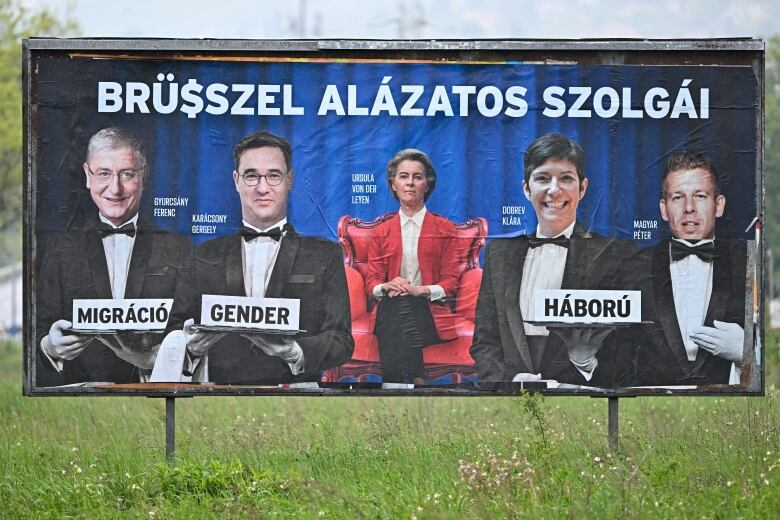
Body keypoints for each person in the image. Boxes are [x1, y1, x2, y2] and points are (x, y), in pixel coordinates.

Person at [183, 130, 353, 384]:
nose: (263, 188)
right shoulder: (202, 255)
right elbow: (174, 331)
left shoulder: (324, 254)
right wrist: (190, 348)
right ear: (236, 180)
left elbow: (341, 340)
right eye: (251, 176)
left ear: (290, 180)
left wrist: (294, 352)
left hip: (297, 399)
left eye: (273, 176)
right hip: (217, 397)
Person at [470, 132, 637, 387]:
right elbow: (484, 341)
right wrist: (509, 381)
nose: (554, 189)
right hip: (509, 403)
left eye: (566, 178)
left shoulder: (613, 254)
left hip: (583, 401)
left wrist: (586, 364)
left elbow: (628, 348)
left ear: (582, 188)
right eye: (543, 178)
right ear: (527, 188)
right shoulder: (499, 253)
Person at [36, 127, 193, 386]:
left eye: (127, 174)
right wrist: (50, 346)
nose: (115, 188)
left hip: (151, 392)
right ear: (87, 175)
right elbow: (38, 330)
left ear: (144, 177)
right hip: (81, 402)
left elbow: (186, 332)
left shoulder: (178, 249)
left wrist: (162, 357)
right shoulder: (60, 249)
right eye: (104, 174)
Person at [637, 150, 747, 386]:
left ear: (718, 205)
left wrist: (747, 351)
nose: (689, 208)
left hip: (724, 407)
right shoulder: (635, 267)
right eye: (678, 197)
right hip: (648, 407)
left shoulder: (747, 263)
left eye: (699, 196)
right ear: (664, 209)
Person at [365, 149, 460, 384]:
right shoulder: (380, 233)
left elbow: (451, 281)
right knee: (398, 304)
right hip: (391, 309)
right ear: (393, 184)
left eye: (417, 177)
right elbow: (372, 283)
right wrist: (386, 286)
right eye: (403, 176)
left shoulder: (444, 228)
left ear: (427, 184)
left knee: (404, 305)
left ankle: (393, 383)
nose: (410, 183)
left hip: (429, 312)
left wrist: (422, 290)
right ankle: (418, 379)